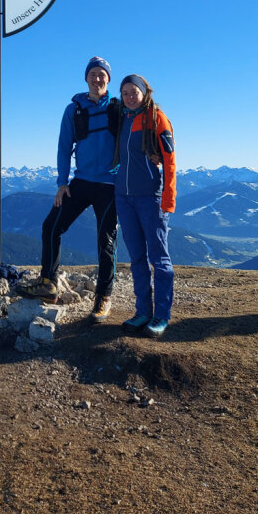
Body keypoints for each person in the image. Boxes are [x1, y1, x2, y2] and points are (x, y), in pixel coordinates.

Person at [20, 56, 118, 320]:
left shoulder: (118, 109)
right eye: (93, 74)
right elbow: (64, 148)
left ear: (108, 80)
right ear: (86, 78)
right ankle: (48, 284)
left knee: (105, 241)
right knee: (51, 225)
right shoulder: (73, 110)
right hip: (81, 182)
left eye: (102, 75)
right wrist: (62, 183)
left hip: (110, 184)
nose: (97, 79)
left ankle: (103, 296)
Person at [113, 74, 176, 338]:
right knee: (137, 258)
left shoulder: (157, 118)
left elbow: (170, 160)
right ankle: (143, 311)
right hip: (124, 197)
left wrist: (168, 198)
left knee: (159, 259)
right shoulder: (122, 118)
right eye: (125, 92)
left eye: (133, 92)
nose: (129, 96)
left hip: (151, 196)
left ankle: (161, 315)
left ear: (144, 92)